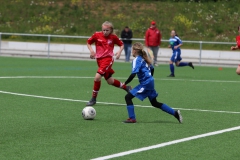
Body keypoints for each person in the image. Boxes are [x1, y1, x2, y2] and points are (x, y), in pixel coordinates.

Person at [123, 42, 183, 123]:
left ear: (135, 51)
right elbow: (152, 68)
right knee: (154, 103)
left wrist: (125, 83)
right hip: (150, 82)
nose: (131, 52)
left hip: (145, 83)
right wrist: (150, 78)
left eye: (132, 50)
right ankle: (175, 113)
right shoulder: (144, 58)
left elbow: (133, 74)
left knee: (128, 97)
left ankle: (132, 118)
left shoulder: (136, 60)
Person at [86, 21, 132, 106]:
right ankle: (126, 87)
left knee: (97, 78)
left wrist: (119, 52)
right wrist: (92, 51)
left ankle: (93, 99)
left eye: (107, 30)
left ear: (111, 30)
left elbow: (122, 44)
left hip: (108, 60)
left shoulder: (113, 37)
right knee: (110, 81)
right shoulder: (97, 35)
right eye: (103, 30)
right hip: (99, 61)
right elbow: (88, 42)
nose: (105, 32)